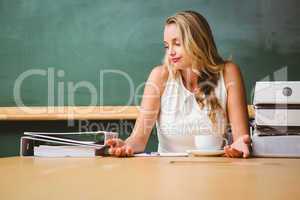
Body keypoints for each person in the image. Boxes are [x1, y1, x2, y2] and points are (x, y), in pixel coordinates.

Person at [106, 10, 251, 158]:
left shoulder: (228, 73)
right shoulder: (159, 76)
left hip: (217, 172)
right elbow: (139, 139)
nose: (170, 52)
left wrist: (240, 145)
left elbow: (241, 138)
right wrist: (126, 145)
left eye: (177, 44)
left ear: (198, 42)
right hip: (169, 173)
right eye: (167, 46)